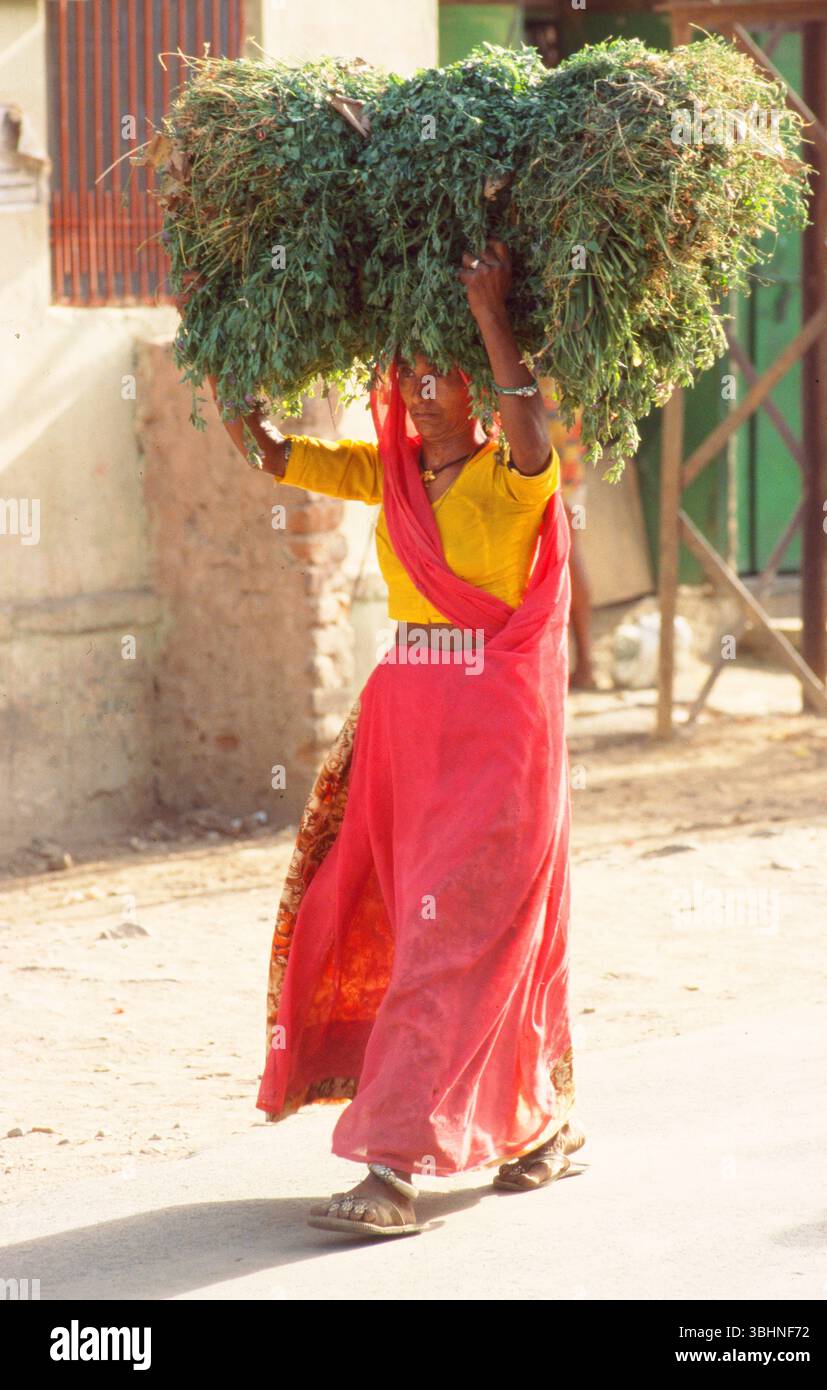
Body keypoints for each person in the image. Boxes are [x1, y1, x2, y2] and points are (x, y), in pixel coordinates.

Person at [178, 240, 586, 1237]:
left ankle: (396, 1164)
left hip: (495, 734)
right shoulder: (389, 474)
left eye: (442, 369)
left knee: (455, 932)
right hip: (409, 728)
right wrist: (236, 389)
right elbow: (277, 457)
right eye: (409, 371)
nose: (426, 387)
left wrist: (489, 310)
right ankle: (536, 1122)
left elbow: (531, 428)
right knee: (427, 926)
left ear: (475, 382)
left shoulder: (509, 475)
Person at [539, 380, 596, 690]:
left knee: (567, 559)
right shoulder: (568, 356)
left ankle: (585, 663)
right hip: (565, 470)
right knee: (568, 558)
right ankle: (583, 663)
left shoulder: (542, 365)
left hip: (556, 473)